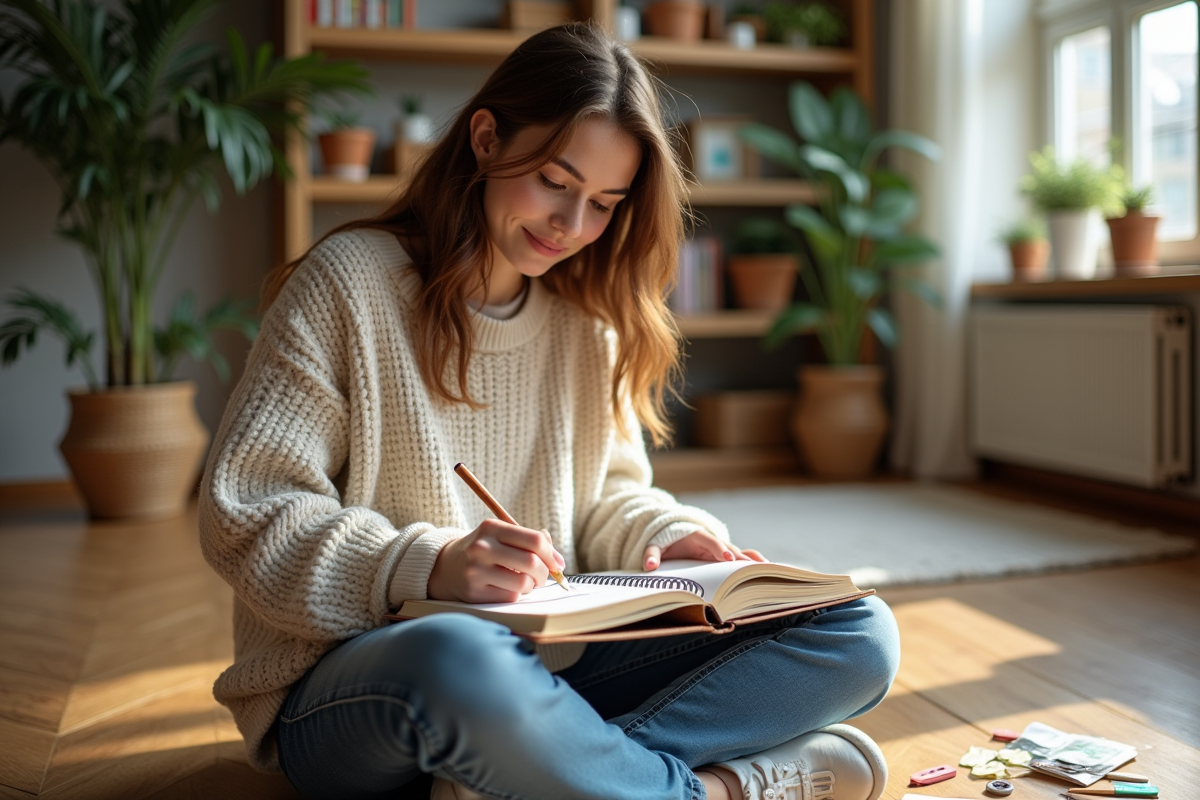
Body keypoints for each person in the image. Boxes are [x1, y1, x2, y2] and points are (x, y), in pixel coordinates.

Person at [199, 21, 900, 800]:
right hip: (362, 685)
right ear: (488, 139)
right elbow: (249, 511)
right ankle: (709, 792)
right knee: (459, 655)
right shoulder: (349, 284)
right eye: (556, 183)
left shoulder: (585, 323)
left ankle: (528, 774)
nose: (572, 226)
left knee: (859, 631)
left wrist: (667, 535)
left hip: (550, 672)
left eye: (604, 203)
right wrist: (428, 565)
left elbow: (607, 496)